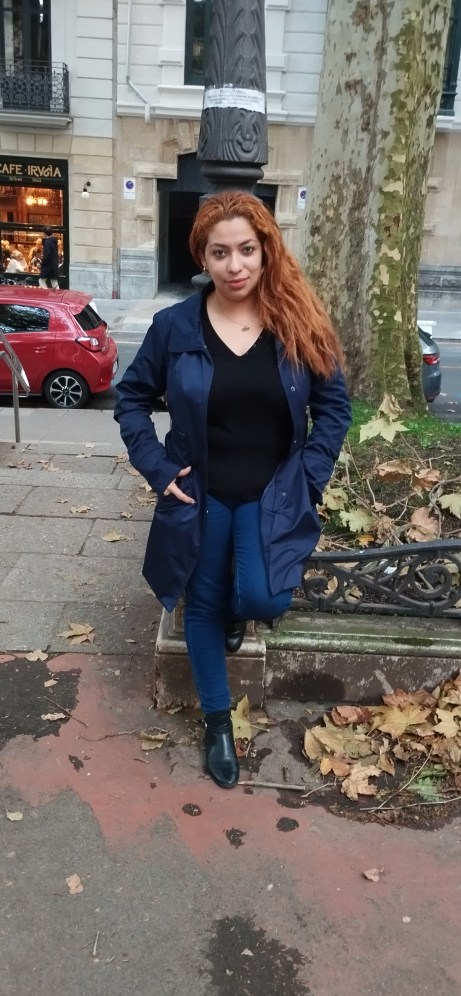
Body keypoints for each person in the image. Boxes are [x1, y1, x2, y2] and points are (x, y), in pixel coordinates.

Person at [114, 191, 352, 790]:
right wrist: (157, 468)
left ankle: (236, 611)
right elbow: (131, 399)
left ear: (266, 250)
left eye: (246, 249)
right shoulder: (174, 327)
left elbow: (334, 407)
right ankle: (217, 723)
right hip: (202, 490)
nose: (235, 265)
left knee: (263, 599)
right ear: (203, 257)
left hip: (274, 490)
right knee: (201, 603)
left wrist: (311, 475)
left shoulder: (298, 320)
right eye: (219, 253)